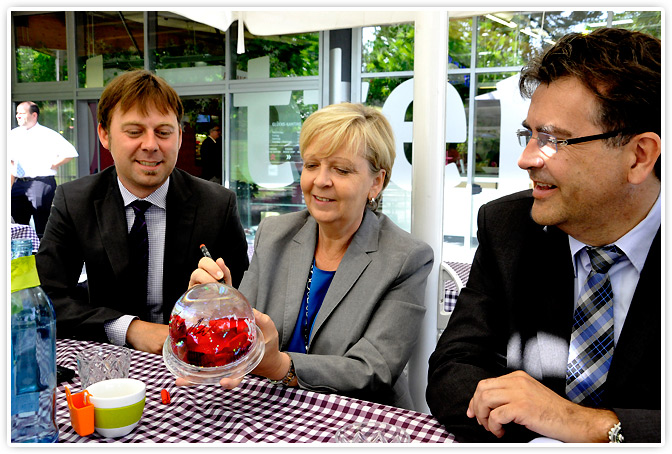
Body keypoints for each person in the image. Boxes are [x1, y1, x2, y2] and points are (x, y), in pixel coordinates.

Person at [427, 28, 661, 443]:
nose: (526, 159)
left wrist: (588, 426)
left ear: (639, 156)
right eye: (530, 134)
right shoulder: (508, 227)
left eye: (553, 140)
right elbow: (454, 366)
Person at [188, 103, 434, 409]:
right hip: (269, 407)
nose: (320, 180)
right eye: (312, 165)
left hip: (358, 422)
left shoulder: (406, 257)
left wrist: (282, 366)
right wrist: (218, 304)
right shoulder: (275, 233)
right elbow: (244, 331)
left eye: (341, 169)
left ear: (376, 182)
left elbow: (375, 369)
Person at [36, 70, 249, 355]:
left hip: (194, 365)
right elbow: (46, 298)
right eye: (134, 132)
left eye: (163, 132)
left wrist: (221, 298)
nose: (150, 145)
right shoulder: (75, 201)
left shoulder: (217, 205)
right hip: (107, 360)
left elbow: (245, 299)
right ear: (105, 135)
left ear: (180, 137)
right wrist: (131, 329)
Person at [9, 101, 79, 236]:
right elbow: (9, 161)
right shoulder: (13, 134)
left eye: (22, 113)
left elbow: (71, 152)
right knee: (17, 226)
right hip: (19, 184)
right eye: (17, 113)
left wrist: (53, 165)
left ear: (34, 115)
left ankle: (44, 255)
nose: (18, 116)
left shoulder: (47, 134)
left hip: (40, 183)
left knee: (43, 225)